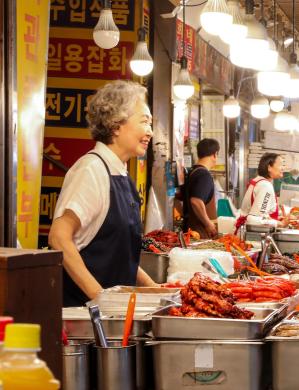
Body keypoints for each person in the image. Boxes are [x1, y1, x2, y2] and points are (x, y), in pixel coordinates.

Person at [48, 80, 157, 307]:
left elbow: (120, 254)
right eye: (144, 122)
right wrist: (100, 298)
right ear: (116, 125)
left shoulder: (121, 173)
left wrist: (155, 288)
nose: (150, 132)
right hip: (85, 318)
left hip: (114, 317)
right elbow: (59, 238)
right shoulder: (91, 170)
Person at [237, 153, 288, 229]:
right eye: (280, 164)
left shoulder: (258, 180)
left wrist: (278, 216)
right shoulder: (265, 186)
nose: (283, 168)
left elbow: (261, 212)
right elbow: (253, 220)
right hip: (252, 234)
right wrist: (280, 224)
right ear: (269, 167)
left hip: (245, 230)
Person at [183, 139, 219, 239]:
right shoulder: (204, 175)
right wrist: (208, 223)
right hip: (199, 235)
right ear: (215, 154)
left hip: (191, 231)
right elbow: (196, 201)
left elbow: (179, 199)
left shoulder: (192, 172)